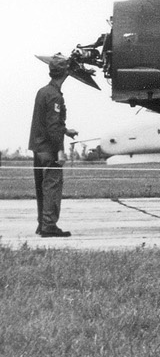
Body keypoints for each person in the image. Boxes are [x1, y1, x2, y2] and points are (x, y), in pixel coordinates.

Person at [30, 55, 79, 237]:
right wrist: (60, 151)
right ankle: (49, 226)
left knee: (41, 187)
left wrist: (66, 130)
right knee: (52, 186)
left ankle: (42, 224)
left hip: (38, 147)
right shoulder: (55, 96)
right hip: (49, 149)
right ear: (65, 72)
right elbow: (52, 127)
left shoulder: (43, 92)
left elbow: (49, 121)